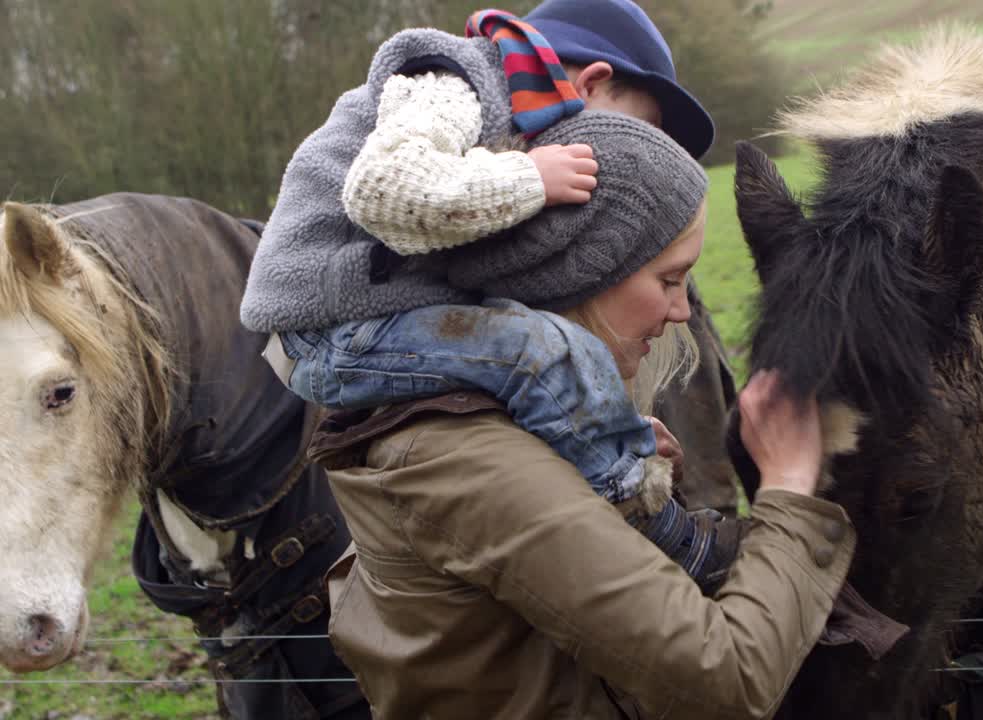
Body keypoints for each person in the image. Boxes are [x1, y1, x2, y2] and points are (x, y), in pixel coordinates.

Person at [308, 111, 855, 720]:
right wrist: (787, 489)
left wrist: (598, 489)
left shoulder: (491, 420)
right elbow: (725, 679)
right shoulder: (471, 456)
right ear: (583, 273)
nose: (681, 311)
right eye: (670, 280)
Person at [240, 0, 739, 592]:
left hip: (362, 313)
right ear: (593, 83)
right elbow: (384, 189)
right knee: (535, 349)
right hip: (324, 327)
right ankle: (652, 520)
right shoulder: (451, 82)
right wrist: (533, 177)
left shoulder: (499, 117)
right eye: (640, 129)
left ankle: (613, 460)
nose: (640, 154)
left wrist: (609, 419)